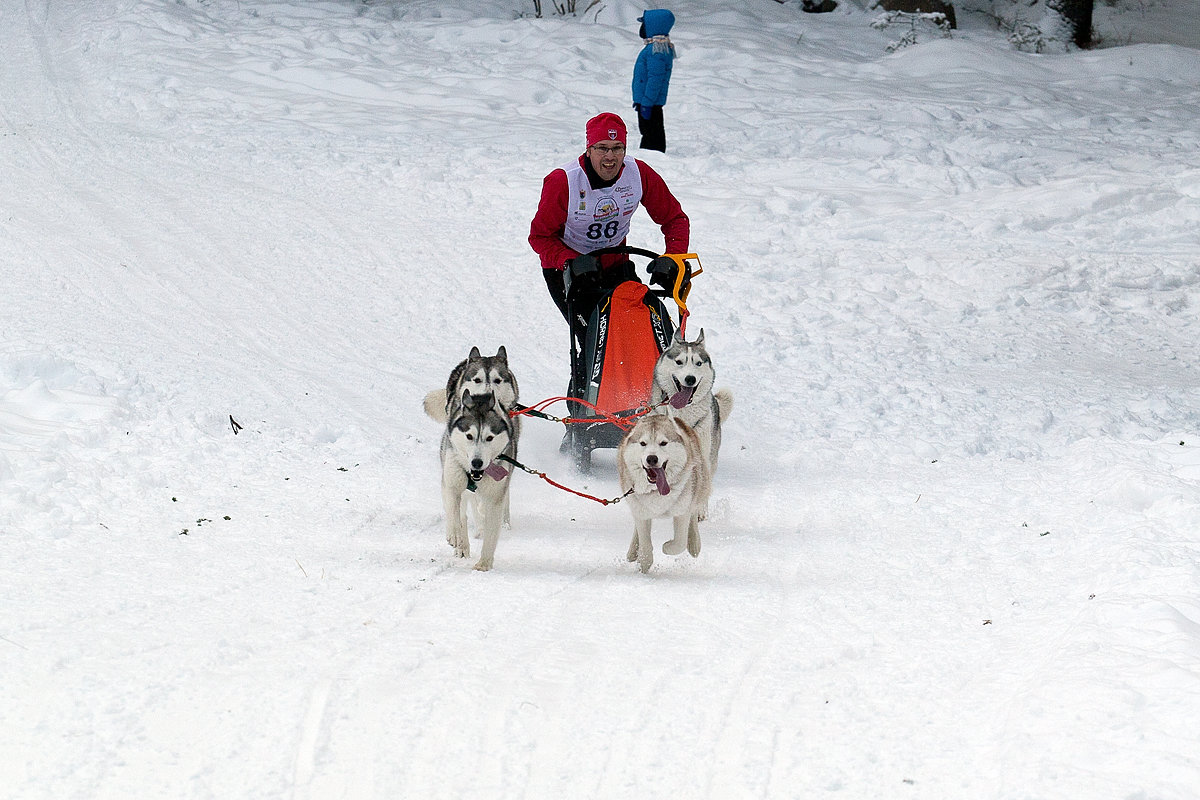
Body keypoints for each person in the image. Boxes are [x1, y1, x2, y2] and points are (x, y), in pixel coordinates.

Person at [528, 112, 690, 342]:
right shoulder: (563, 181)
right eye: (602, 148)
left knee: (646, 332)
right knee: (596, 343)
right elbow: (540, 237)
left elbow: (675, 219)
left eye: (617, 148)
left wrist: (673, 257)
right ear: (588, 149)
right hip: (569, 272)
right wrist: (569, 261)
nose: (610, 157)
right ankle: (586, 377)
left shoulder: (639, 174)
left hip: (615, 263)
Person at [631, 9, 677, 153]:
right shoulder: (656, 48)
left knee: (651, 132)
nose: (641, 29)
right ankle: (651, 154)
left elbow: (655, 80)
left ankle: (651, 157)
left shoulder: (656, 51)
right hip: (648, 101)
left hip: (650, 103)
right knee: (650, 130)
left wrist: (646, 103)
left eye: (644, 25)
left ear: (652, 27)